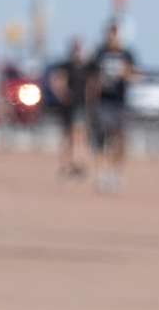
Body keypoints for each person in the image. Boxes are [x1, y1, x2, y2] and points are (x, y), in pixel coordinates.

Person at [90, 23, 133, 194]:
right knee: (101, 140)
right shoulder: (100, 54)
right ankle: (102, 175)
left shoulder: (126, 54)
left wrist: (126, 73)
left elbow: (135, 73)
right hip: (102, 102)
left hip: (119, 102)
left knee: (119, 140)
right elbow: (92, 77)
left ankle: (115, 174)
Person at [49, 38, 91, 180]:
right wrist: (61, 93)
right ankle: (70, 165)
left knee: (81, 136)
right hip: (69, 106)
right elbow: (55, 78)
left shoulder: (85, 67)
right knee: (70, 136)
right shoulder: (66, 66)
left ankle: (78, 163)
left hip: (81, 105)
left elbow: (93, 83)